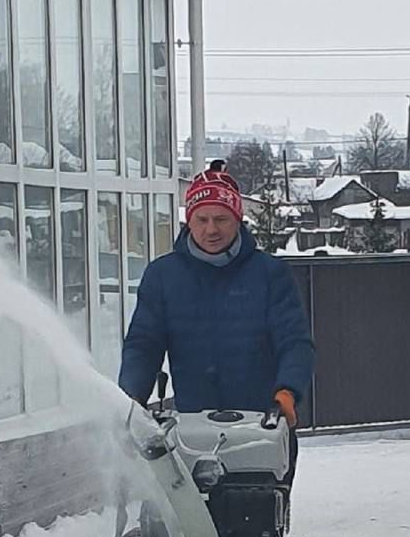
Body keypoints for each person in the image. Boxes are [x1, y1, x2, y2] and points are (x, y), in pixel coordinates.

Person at [119, 162, 315, 455]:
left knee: (258, 499)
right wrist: (133, 396)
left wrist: (287, 391)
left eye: (221, 219)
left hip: (263, 426)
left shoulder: (270, 274)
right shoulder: (163, 276)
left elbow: (295, 342)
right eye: (202, 220)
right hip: (192, 430)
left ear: (238, 219)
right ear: (189, 222)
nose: (211, 230)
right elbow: (144, 344)